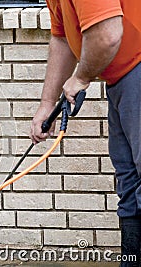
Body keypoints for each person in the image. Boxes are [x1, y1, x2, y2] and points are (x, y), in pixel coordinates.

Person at [29, 1, 141, 266]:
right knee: (129, 184)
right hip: (121, 79)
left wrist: (80, 77)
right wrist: (47, 103)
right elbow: (63, 38)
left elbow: (107, 34)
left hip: (137, 67)